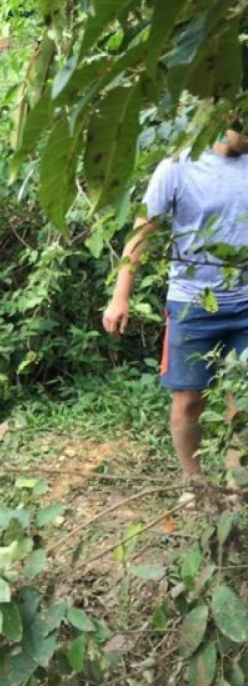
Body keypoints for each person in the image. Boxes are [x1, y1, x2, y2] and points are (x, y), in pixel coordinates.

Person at [103, 124, 248, 482]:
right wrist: (120, 296)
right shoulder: (179, 164)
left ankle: (234, 486)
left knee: (241, 403)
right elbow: (141, 232)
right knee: (187, 401)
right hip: (191, 305)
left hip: (246, 304)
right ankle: (192, 482)